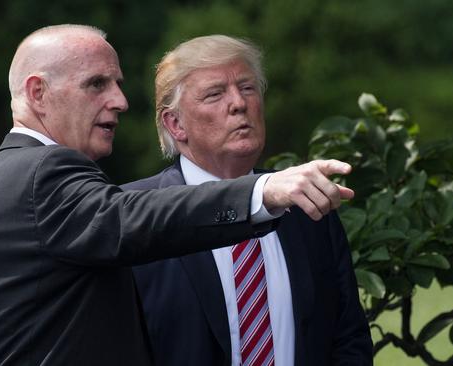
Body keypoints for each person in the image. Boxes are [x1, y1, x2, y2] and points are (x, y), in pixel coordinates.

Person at [0, 25, 355, 366]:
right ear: (38, 93)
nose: (120, 100)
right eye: (96, 84)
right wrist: (264, 190)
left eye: (117, 83)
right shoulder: (44, 173)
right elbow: (127, 217)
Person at [122, 35, 373, 366]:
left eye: (247, 88)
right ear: (176, 123)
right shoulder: (133, 216)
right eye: (215, 94)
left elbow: (348, 337)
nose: (238, 103)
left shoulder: (304, 204)